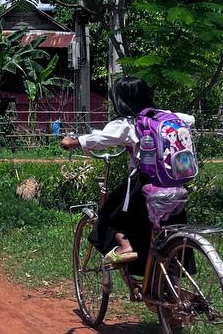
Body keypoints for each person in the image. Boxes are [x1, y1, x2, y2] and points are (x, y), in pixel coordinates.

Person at [59, 77, 193, 271]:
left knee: (109, 215)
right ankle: (170, 287)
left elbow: (100, 138)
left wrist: (71, 142)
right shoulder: (167, 116)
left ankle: (124, 246)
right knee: (169, 235)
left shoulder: (128, 123)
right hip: (174, 184)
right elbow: (190, 120)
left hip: (145, 184)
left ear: (120, 100)